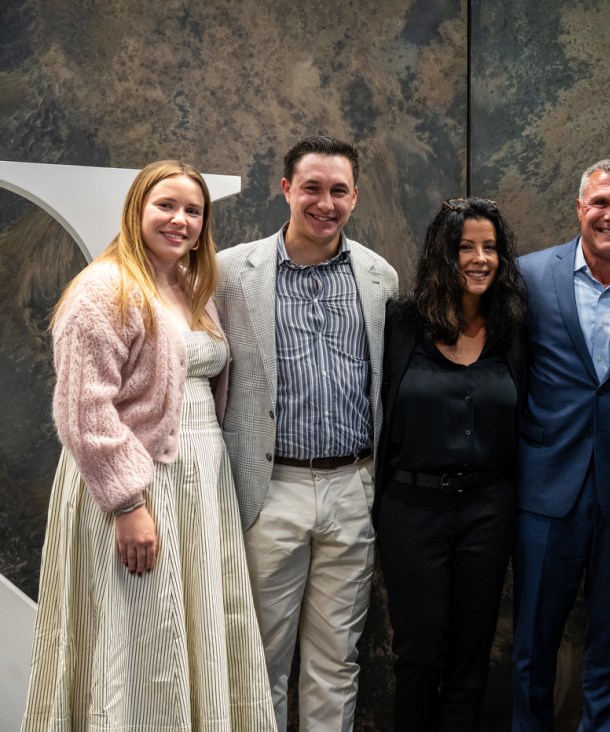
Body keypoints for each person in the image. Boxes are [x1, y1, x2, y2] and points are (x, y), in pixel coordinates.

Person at [21, 160, 276, 730]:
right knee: (142, 637)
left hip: (200, 487)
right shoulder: (104, 289)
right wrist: (128, 506)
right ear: (137, 208)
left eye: (193, 210)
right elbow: (83, 411)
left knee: (196, 628)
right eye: (166, 205)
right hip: (138, 488)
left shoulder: (188, 285)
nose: (180, 220)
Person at [214, 136, 398, 731]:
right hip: (270, 489)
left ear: (355, 196)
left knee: (337, 662)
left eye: (338, 190)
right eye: (312, 188)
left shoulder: (379, 277)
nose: (325, 202)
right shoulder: (231, 274)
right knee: (260, 661)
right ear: (287, 189)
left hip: (352, 487)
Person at [512, 159, 610, 731]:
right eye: (600, 203)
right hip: (547, 489)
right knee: (532, 647)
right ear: (580, 208)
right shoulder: (528, 276)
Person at [374, 197, 527, 731]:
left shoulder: (513, 329)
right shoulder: (400, 322)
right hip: (411, 508)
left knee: (472, 656)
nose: (480, 258)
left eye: (491, 247)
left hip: (489, 509)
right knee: (418, 655)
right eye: (466, 247)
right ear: (443, 254)